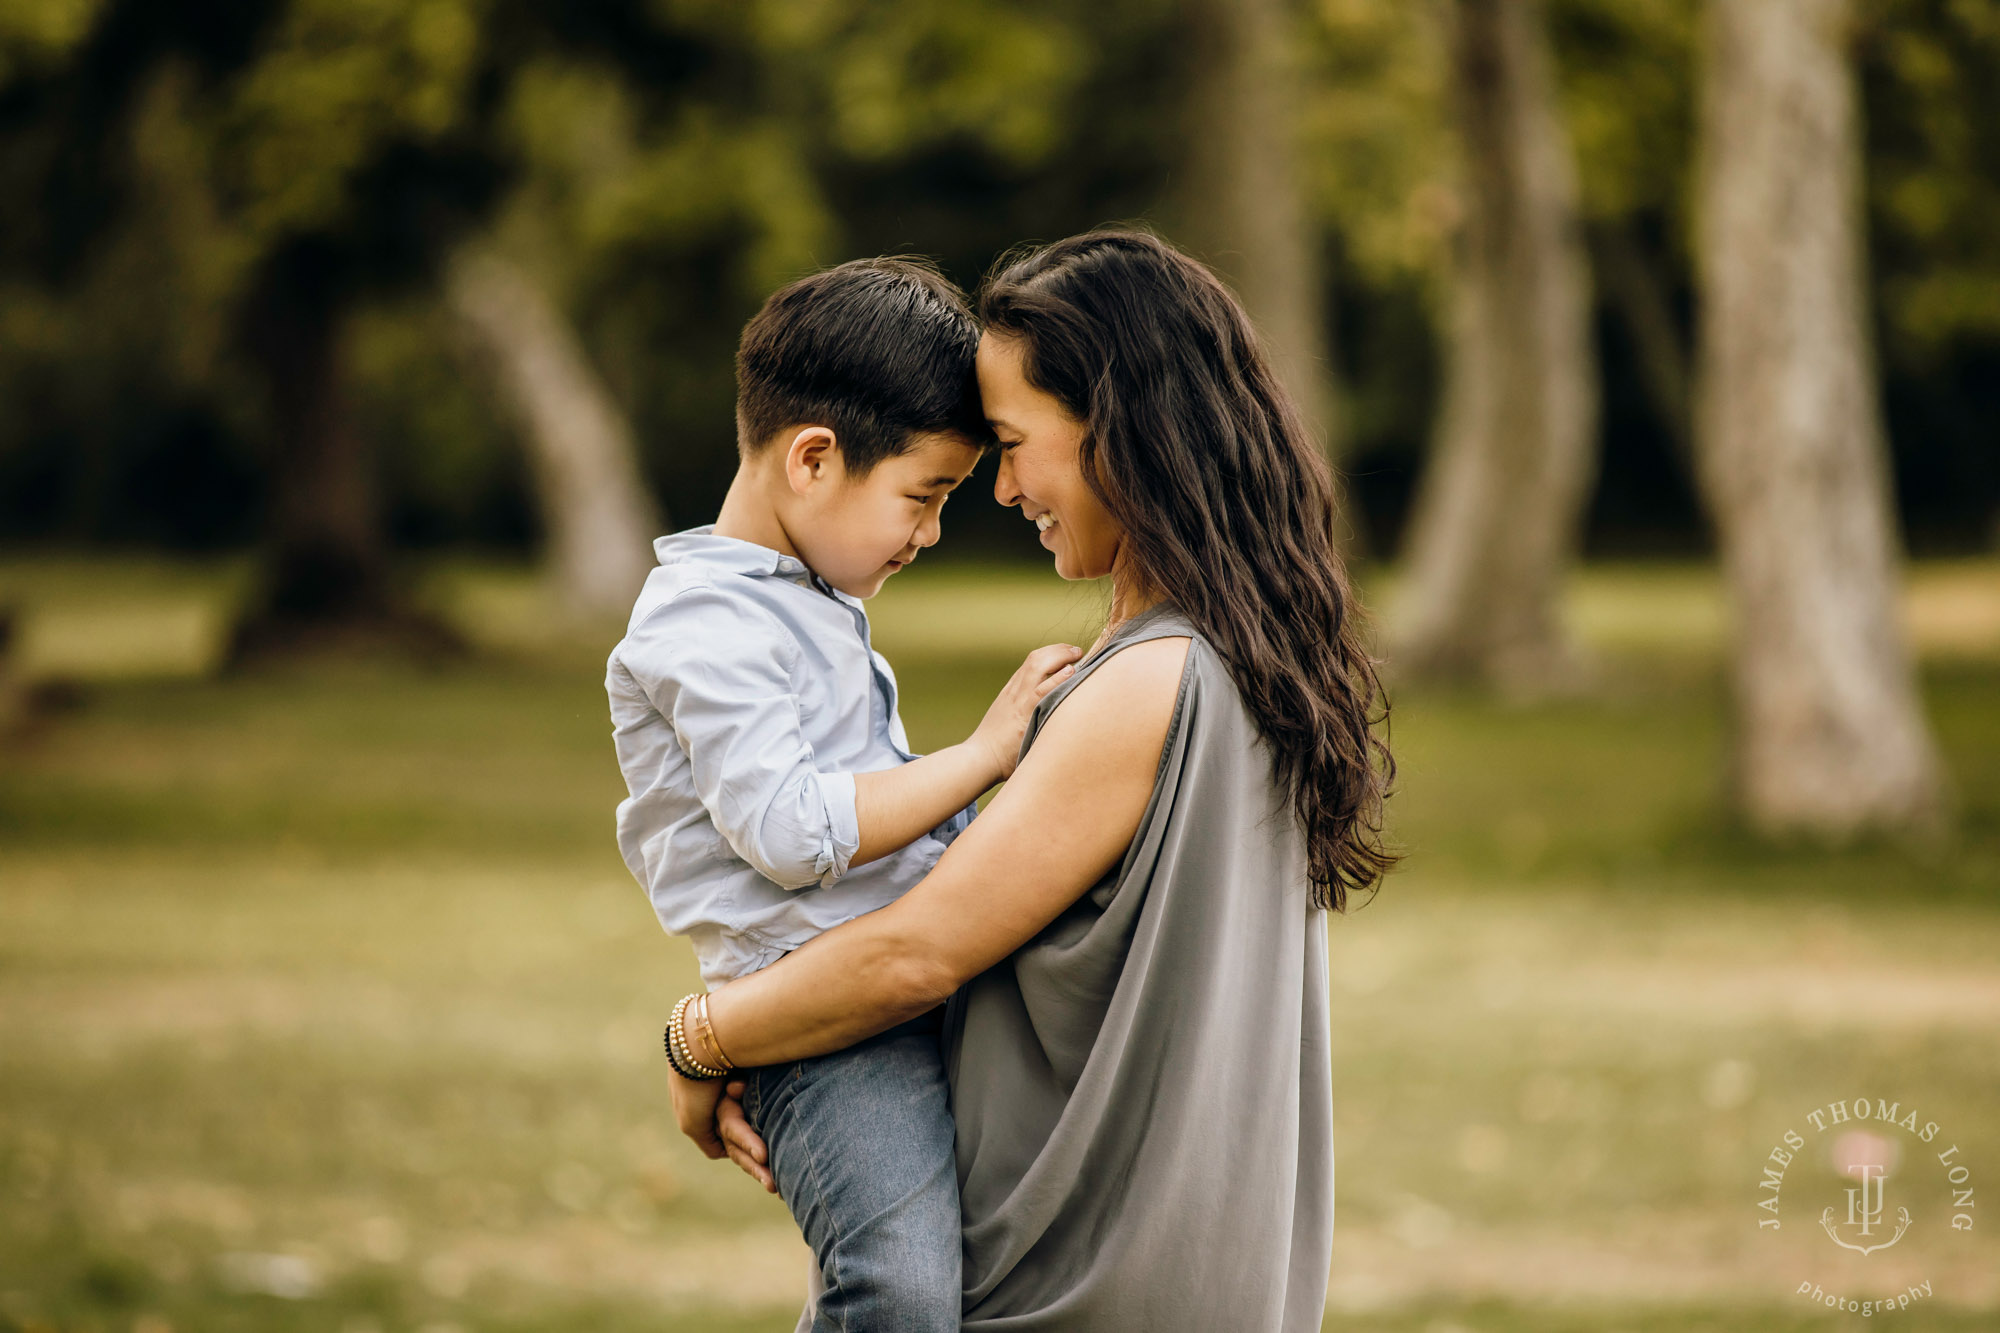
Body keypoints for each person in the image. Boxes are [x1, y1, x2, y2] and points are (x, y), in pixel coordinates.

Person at [669, 229, 1397, 1330]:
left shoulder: (1152, 686)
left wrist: (703, 1037)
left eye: (1012, 443)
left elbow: (915, 954)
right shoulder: (1237, 660)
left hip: (1077, 1284)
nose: (1003, 489)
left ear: (1120, 434)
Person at [607, 256, 1081, 1332]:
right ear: (813, 459)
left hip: (897, 995)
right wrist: (988, 751)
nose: (931, 533)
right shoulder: (704, 627)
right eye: (923, 496)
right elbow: (790, 831)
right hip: (825, 1033)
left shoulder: (796, 598)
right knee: (898, 1295)